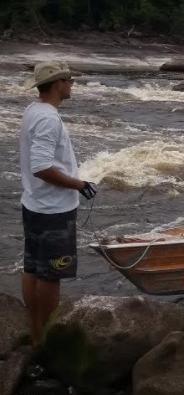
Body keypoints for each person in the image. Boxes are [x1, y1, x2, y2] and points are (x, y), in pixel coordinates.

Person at [19, 61, 96, 348]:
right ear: (57, 84)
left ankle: (36, 332)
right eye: (69, 80)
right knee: (51, 275)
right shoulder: (49, 119)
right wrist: (79, 184)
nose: (72, 84)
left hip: (34, 203)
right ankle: (48, 341)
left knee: (32, 268)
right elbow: (41, 167)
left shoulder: (33, 110)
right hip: (53, 209)